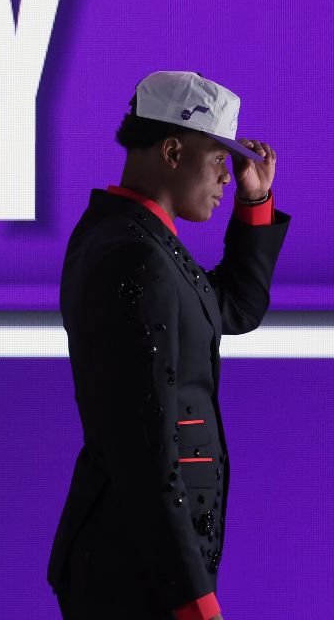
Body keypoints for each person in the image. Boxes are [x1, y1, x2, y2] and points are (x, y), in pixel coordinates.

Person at [46, 71, 290, 619]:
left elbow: (233, 308)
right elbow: (144, 451)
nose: (227, 176)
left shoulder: (138, 239)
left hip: (142, 562)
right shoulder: (133, 256)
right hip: (133, 572)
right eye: (219, 159)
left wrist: (255, 201)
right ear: (173, 151)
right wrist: (193, 599)